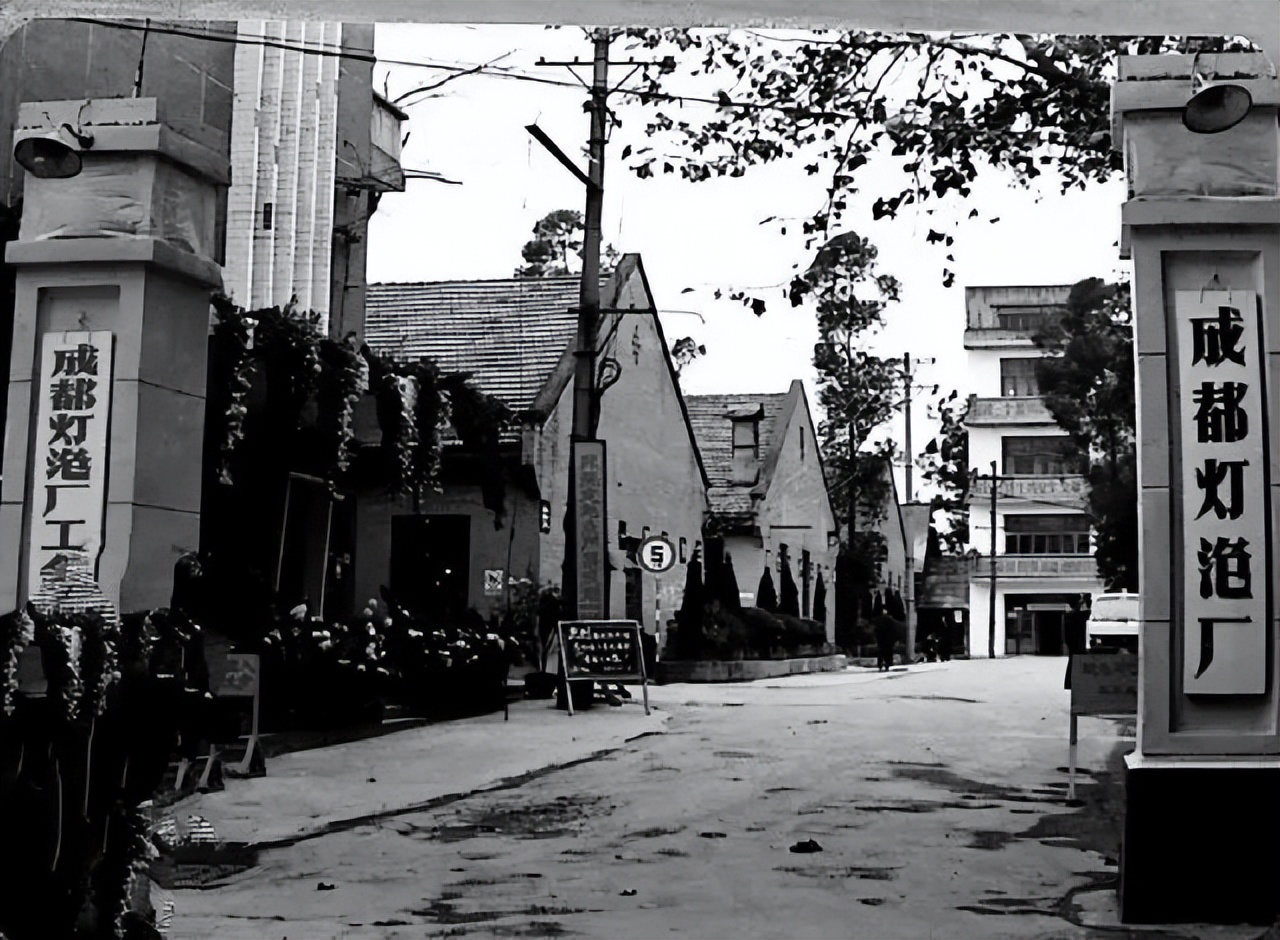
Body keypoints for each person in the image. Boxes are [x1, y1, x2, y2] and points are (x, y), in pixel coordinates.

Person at [1064, 594, 1090, 690]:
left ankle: (1070, 684)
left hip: (1073, 646)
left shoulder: (1069, 617)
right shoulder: (1083, 616)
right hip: (1081, 645)